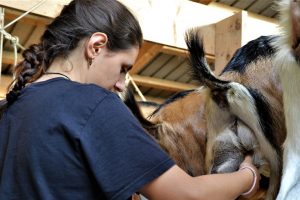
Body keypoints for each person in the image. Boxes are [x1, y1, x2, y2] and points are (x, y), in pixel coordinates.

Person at [0, 0, 260, 199]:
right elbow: (188, 194)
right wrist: (247, 176)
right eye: (124, 68)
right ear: (96, 46)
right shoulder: (94, 104)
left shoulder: (8, 109)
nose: (120, 85)